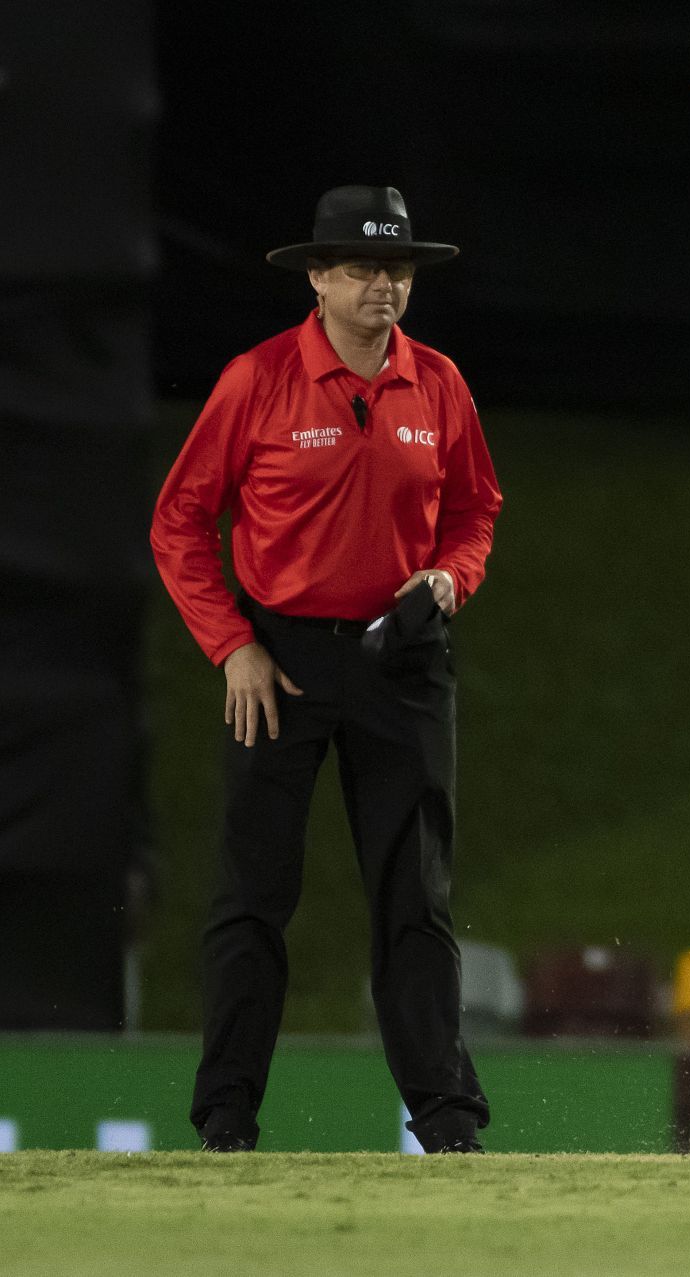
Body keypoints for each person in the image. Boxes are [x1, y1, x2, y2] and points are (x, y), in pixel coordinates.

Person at [150, 186, 503, 1153]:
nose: (385, 285)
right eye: (362, 268)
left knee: (415, 894)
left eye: (397, 269)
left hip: (404, 655)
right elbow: (179, 520)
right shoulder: (256, 379)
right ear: (318, 277)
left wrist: (450, 577)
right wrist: (233, 645)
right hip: (282, 660)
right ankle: (225, 1117)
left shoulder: (438, 383)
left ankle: (447, 1120)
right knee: (255, 894)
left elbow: (477, 508)